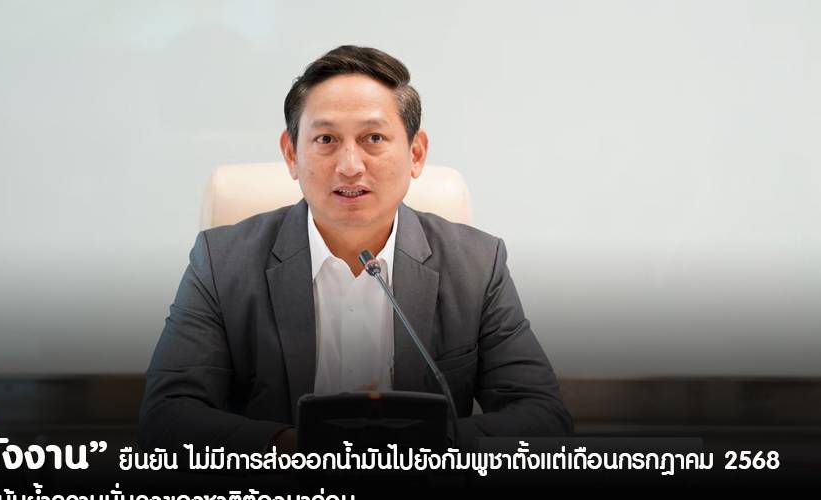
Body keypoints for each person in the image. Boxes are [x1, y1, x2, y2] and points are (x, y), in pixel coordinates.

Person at [139, 45, 572, 455]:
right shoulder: (222, 262)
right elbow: (166, 418)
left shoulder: (477, 264)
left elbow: (542, 416)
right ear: (291, 154)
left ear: (416, 153)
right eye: (326, 139)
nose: (349, 166)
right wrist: (297, 448)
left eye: (374, 138)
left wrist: (420, 447)